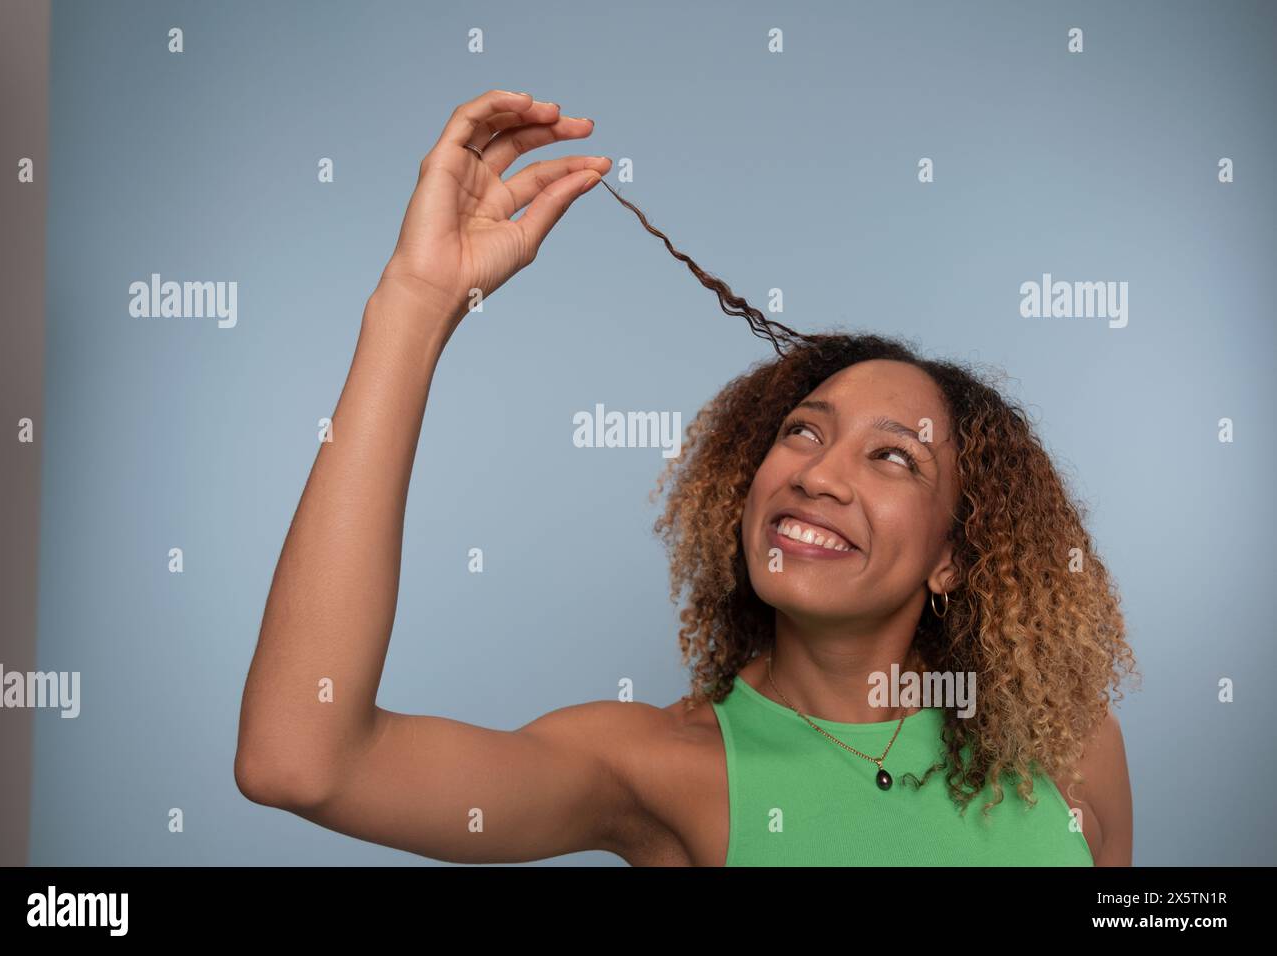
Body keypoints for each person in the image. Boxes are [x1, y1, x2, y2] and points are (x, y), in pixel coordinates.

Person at [234, 88, 1137, 866]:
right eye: (802, 432)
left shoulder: (1070, 743)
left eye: (893, 455)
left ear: (954, 555)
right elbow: (301, 762)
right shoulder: (659, 767)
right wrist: (416, 301)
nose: (818, 474)